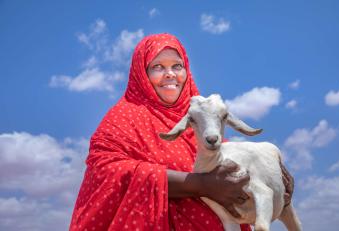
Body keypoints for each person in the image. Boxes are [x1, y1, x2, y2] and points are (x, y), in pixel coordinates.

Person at [69, 33, 294, 231]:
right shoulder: (123, 117)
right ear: (141, 74)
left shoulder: (201, 117)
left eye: (177, 66)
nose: (170, 74)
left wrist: (274, 183)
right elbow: (107, 172)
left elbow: (229, 175)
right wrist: (200, 184)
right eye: (157, 67)